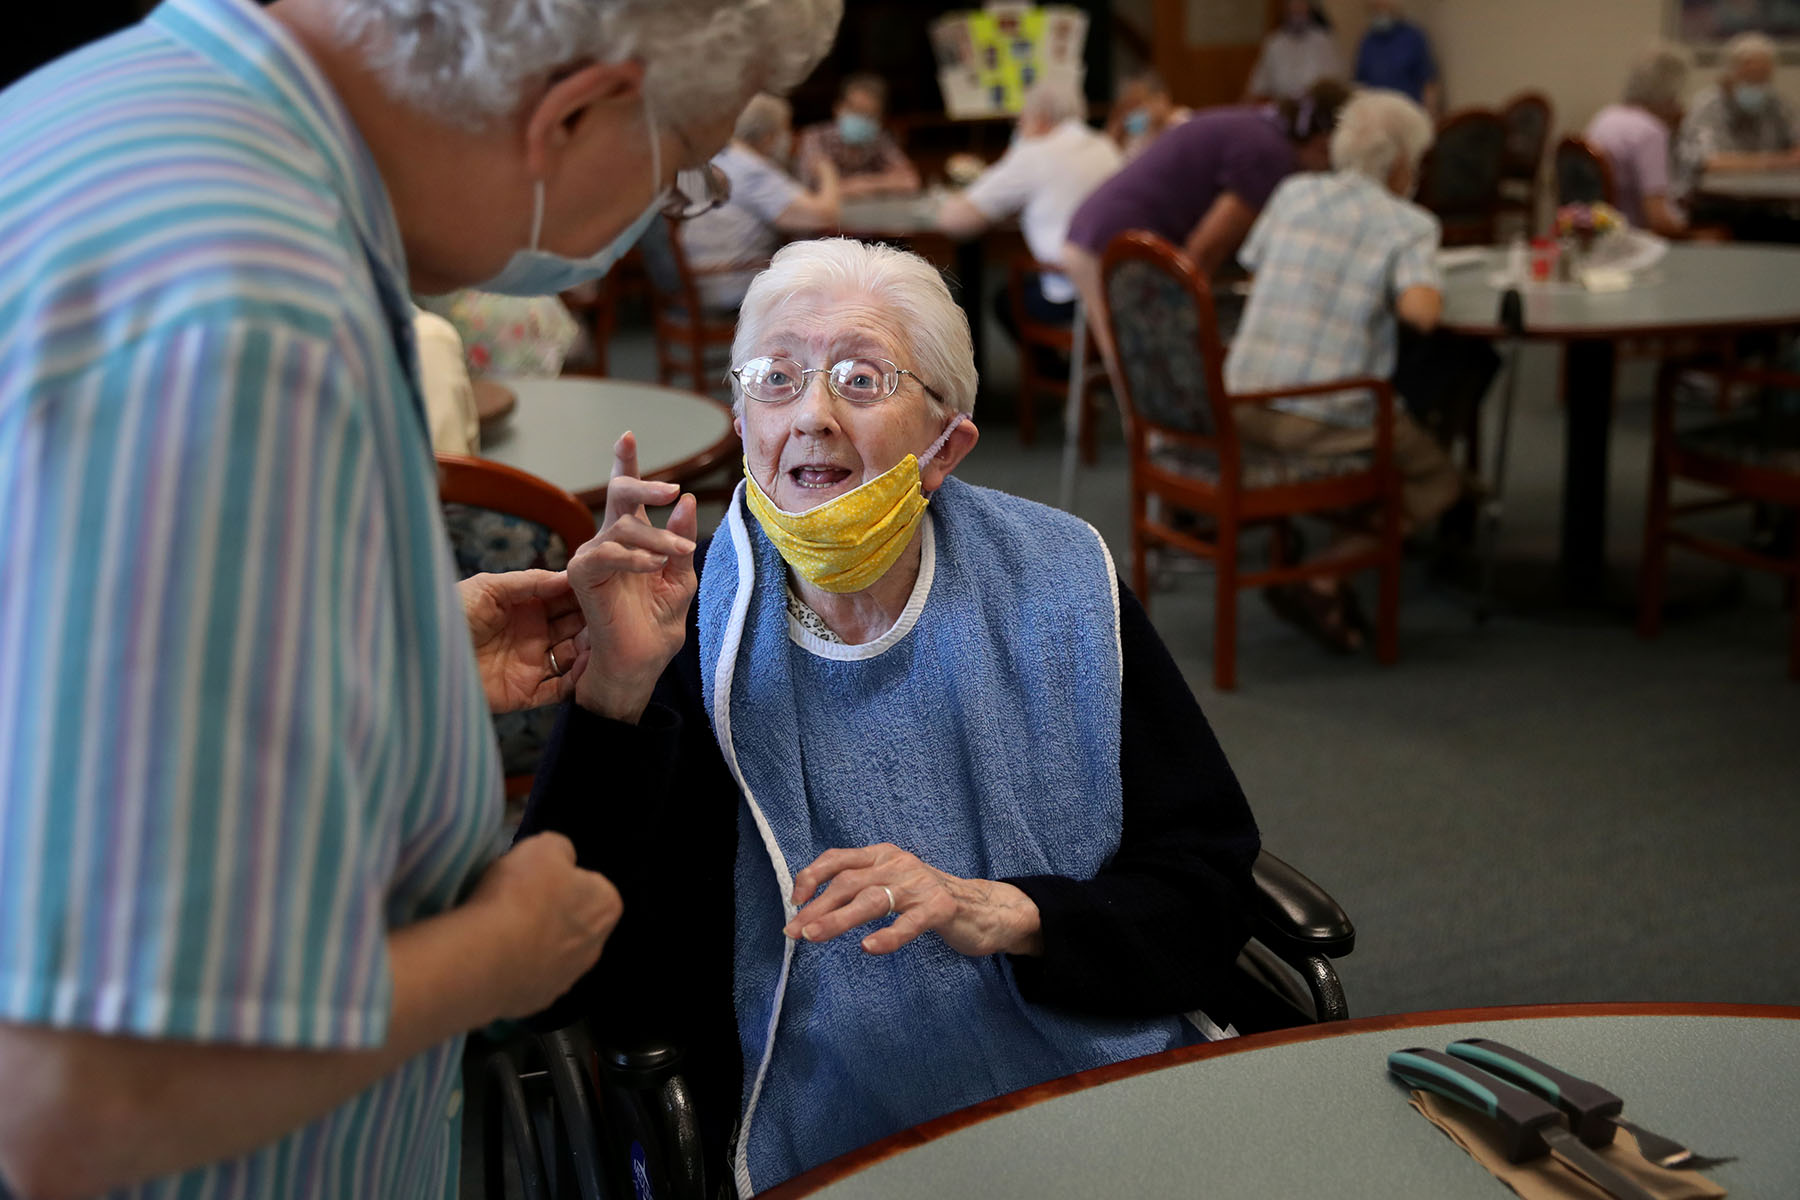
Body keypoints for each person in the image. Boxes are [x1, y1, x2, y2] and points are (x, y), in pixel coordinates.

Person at [0, 0, 840, 1197]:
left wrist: (397, 660)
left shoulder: (120, 122)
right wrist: (497, 956)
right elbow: (76, 1092)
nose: (667, 208)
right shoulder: (253, 313)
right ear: (572, 111)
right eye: (684, 171)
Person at [520, 238, 1263, 1194]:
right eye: (777, 379)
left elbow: (1205, 883)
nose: (812, 416)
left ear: (944, 445)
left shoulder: (1061, 581)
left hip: (1096, 1067)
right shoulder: (681, 625)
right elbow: (571, 980)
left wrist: (1003, 910)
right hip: (824, 1116)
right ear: (743, 418)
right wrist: (614, 697)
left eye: (861, 380)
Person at [1223, 90, 1463, 653]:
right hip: (1318, 413)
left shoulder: (1293, 193)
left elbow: (1259, 267)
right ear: (1403, 163)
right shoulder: (1409, 224)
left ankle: (1333, 548)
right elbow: (1422, 314)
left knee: (1388, 428)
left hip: (1238, 400)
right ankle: (1323, 575)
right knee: (1437, 478)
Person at [1063, 80, 1350, 379]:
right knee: (1150, 366)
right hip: (1115, 240)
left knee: (1138, 364)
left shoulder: (1260, 125)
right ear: (1324, 145)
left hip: (1098, 229)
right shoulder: (1270, 154)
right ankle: (1155, 425)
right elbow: (1206, 248)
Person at [936, 81, 1122, 349]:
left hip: (1072, 292)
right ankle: (1075, 369)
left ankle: (1054, 376)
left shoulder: (1033, 155)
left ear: (1041, 119)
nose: (1018, 128)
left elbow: (955, 221)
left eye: (1020, 120)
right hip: (1116, 282)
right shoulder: (1104, 145)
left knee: (1006, 301)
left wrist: (1012, 155)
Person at [682, 93, 843, 311]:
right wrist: (827, 171)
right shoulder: (752, 170)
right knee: (834, 282)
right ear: (769, 136)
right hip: (731, 281)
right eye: (785, 129)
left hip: (699, 278)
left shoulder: (720, 158)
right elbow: (822, 216)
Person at [1674, 31, 1800, 201]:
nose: (1756, 84)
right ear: (1727, 76)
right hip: (1715, 203)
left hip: (1769, 203)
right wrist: (1777, 161)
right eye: (1749, 77)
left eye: (1762, 77)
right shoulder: (1707, 107)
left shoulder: (1777, 106)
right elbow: (1710, 163)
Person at [1586, 46, 1692, 237]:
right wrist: (1698, 235)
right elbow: (1659, 220)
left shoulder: (1605, 117)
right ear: (1670, 94)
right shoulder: (1651, 132)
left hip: (1599, 235)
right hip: (1636, 241)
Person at [795, 72, 922, 197]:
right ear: (838, 108)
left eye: (870, 114)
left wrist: (861, 184)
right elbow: (813, 190)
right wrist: (881, 183)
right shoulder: (815, 137)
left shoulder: (879, 139)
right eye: (856, 110)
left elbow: (910, 180)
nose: (862, 118)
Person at [1245, 1, 1343, 104]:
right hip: (1283, 111)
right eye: (1293, 10)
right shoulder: (1275, 44)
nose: (1297, 14)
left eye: (1300, 10)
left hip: (1316, 112)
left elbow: (1335, 85)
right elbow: (1256, 88)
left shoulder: (1324, 42)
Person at [1353, 0, 1440, 113]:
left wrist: (1430, 116)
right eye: (1376, 8)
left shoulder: (1413, 37)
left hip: (1410, 115)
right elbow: (1359, 87)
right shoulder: (1367, 42)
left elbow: (1429, 84)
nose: (1380, 11)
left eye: (1383, 7)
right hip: (1377, 118)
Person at [1107, 68, 1192, 158]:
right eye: (1130, 106)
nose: (1134, 111)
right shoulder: (1142, 132)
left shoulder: (1186, 123)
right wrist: (1118, 135)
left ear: (1160, 99)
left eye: (1139, 103)